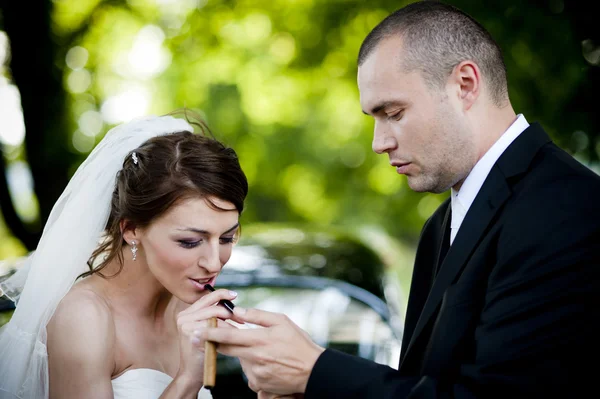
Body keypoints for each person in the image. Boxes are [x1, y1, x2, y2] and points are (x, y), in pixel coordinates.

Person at [201, 1, 600, 398]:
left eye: (393, 112)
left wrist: (316, 371)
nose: (379, 143)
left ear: (465, 85)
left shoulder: (567, 211)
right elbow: (426, 384)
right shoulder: (440, 225)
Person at [0, 110, 248, 398]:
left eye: (228, 238)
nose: (214, 261)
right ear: (131, 229)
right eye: (191, 241)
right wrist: (188, 380)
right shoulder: (84, 318)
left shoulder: (189, 307)